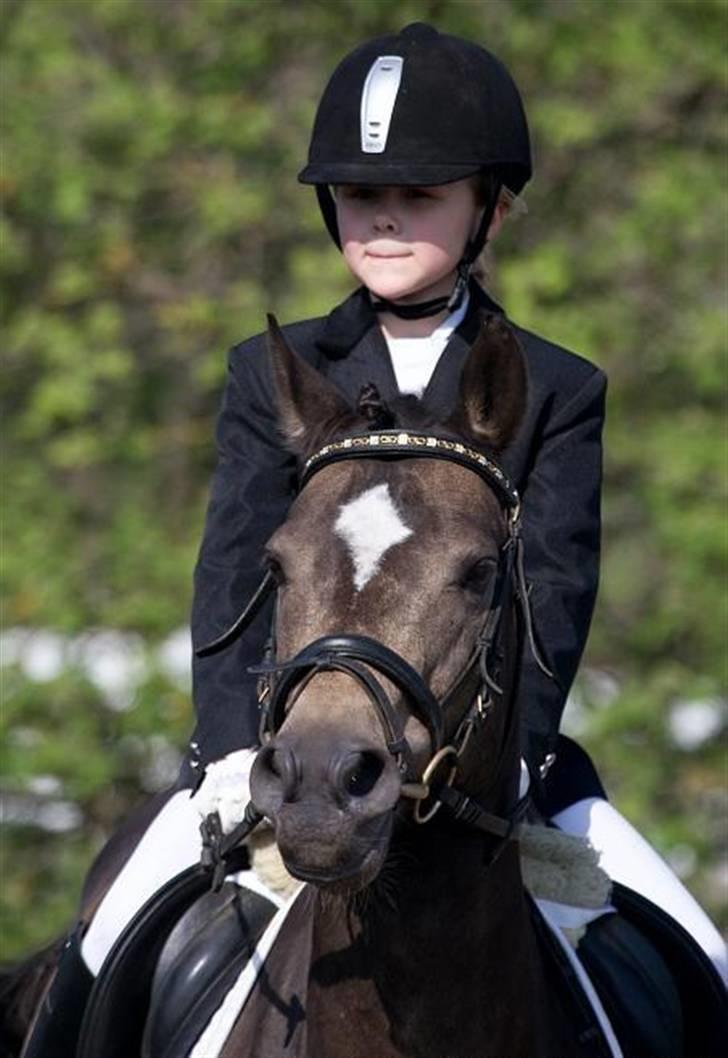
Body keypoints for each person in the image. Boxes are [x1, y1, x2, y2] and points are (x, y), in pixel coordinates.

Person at [22, 21, 726, 1057]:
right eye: (360, 197)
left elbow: (556, 590)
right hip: (278, 750)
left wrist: (518, 761)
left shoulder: (557, 385)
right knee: (110, 935)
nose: (384, 218)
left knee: (700, 952)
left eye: (419, 194)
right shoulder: (271, 368)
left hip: (494, 766)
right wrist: (227, 748)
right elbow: (230, 571)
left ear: (487, 208)